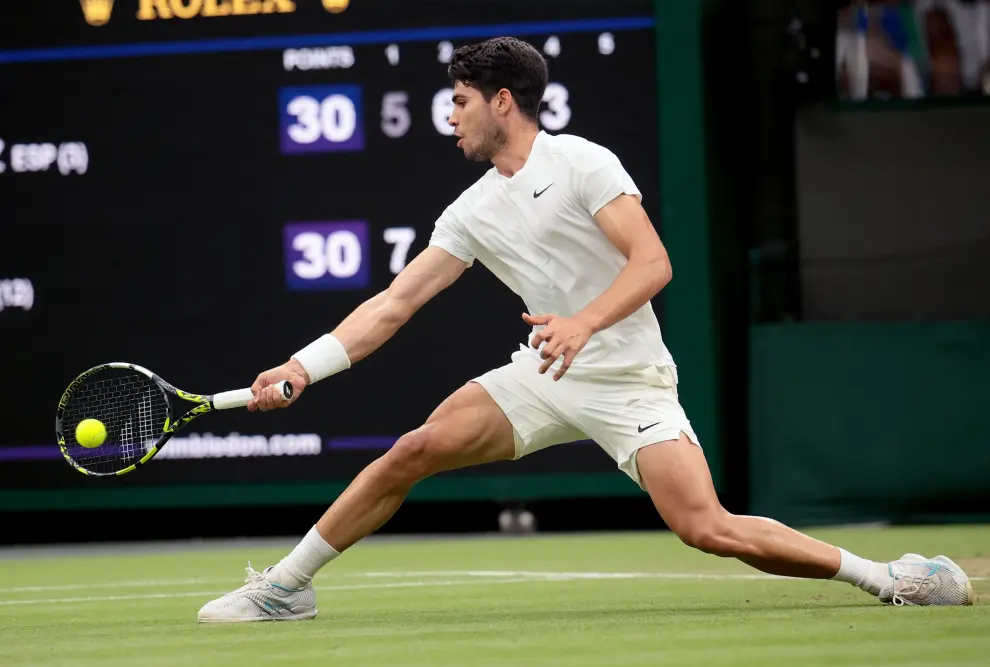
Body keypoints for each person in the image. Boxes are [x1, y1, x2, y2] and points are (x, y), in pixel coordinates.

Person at [196, 36, 974, 622]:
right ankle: (284, 589)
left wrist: (583, 322)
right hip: (543, 374)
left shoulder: (582, 163)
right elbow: (392, 305)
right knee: (415, 449)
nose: (451, 117)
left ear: (504, 100)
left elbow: (653, 262)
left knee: (706, 528)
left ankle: (892, 576)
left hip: (627, 378)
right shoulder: (471, 210)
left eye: (460, 101)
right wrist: (303, 365)